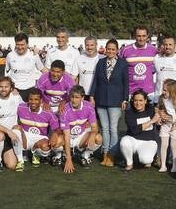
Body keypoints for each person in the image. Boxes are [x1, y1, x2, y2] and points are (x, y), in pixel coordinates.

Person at [90, 38, 129, 166]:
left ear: (117, 50)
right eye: (109, 49)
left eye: (113, 49)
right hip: (101, 100)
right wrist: (92, 96)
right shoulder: (100, 62)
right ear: (105, 50)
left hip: (116, 101)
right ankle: (105, 153)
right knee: (104, 129)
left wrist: (124, 99)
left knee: (113, 129)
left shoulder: (123, 64)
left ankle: (112, 155)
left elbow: (126, 83)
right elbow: (95, 81)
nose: (111, 51)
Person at [56, 85, 102, 174]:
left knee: (98, 138)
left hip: (81, 136)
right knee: (56, 142)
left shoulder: (89, 107)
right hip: (68, 137)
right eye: (72, 97)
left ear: (82, 98)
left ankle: (85, 155)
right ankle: (61, 155)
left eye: (77, 97)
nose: (74, 100)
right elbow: (66, 135)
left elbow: (95, 127)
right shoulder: (64, 110)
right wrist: (69, 160)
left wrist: (92, 135)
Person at [118, 89, 162, 172]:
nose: (138, 103)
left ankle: (149, 157)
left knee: (146, 160)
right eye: (135, 100)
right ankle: (129, 163)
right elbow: (134, 130)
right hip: (133, 140)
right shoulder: (129, 112)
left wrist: (159, 118)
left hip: (149, 141)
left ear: (145, 101)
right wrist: (152, 121)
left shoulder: (152, 110)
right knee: (124, 141)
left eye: (141, 100)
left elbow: (160, 120)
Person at [0, 77, 23, 171]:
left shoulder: (16, 97)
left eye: (6, 86)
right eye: (1, 87)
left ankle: (2, 151)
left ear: (11, 88)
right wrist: (8, 131)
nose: (3, 89)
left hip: (11, 134)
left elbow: (26, 107)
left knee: (12, 165)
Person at [16, 88, 58, 169]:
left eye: (36, 99)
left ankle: (35, 153)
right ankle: (20, 160)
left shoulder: (48, 112)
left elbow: (57, 128)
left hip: (40, 138)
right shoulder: (21, 108)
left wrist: (55, 134)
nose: (33, 102)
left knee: (46, 147)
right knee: (15, 129)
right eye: (31, 99)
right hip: (25, 137)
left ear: (41, 100)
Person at [156, 78, 176, 173]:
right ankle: (163, 165)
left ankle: (175, 165)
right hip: (165, 125)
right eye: (163, 89)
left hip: (175, 126)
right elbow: (157, 108)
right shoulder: (161, 98)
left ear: (172, 91)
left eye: (165, 90)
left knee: (174, 146)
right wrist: (159, 117)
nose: (163, 92)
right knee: (164, 145)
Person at [121, 26, 158, 100]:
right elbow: (119, 69)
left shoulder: (154, 50)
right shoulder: (125, 50)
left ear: (147, 36)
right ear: (135, 36)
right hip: (130, 92)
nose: (141, 39)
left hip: (149, 93)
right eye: (139, 36)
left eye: (144, 36)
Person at [6, 33, 44, 100]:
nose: (20, 47)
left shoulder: (33, 55)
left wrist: (62, 75)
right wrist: (12, 88)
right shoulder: (10, 55)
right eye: (18, 44)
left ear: (27, 44)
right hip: (15, 91)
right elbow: (5, 73)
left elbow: (42, 69)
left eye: (22, 45)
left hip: (30, 90)